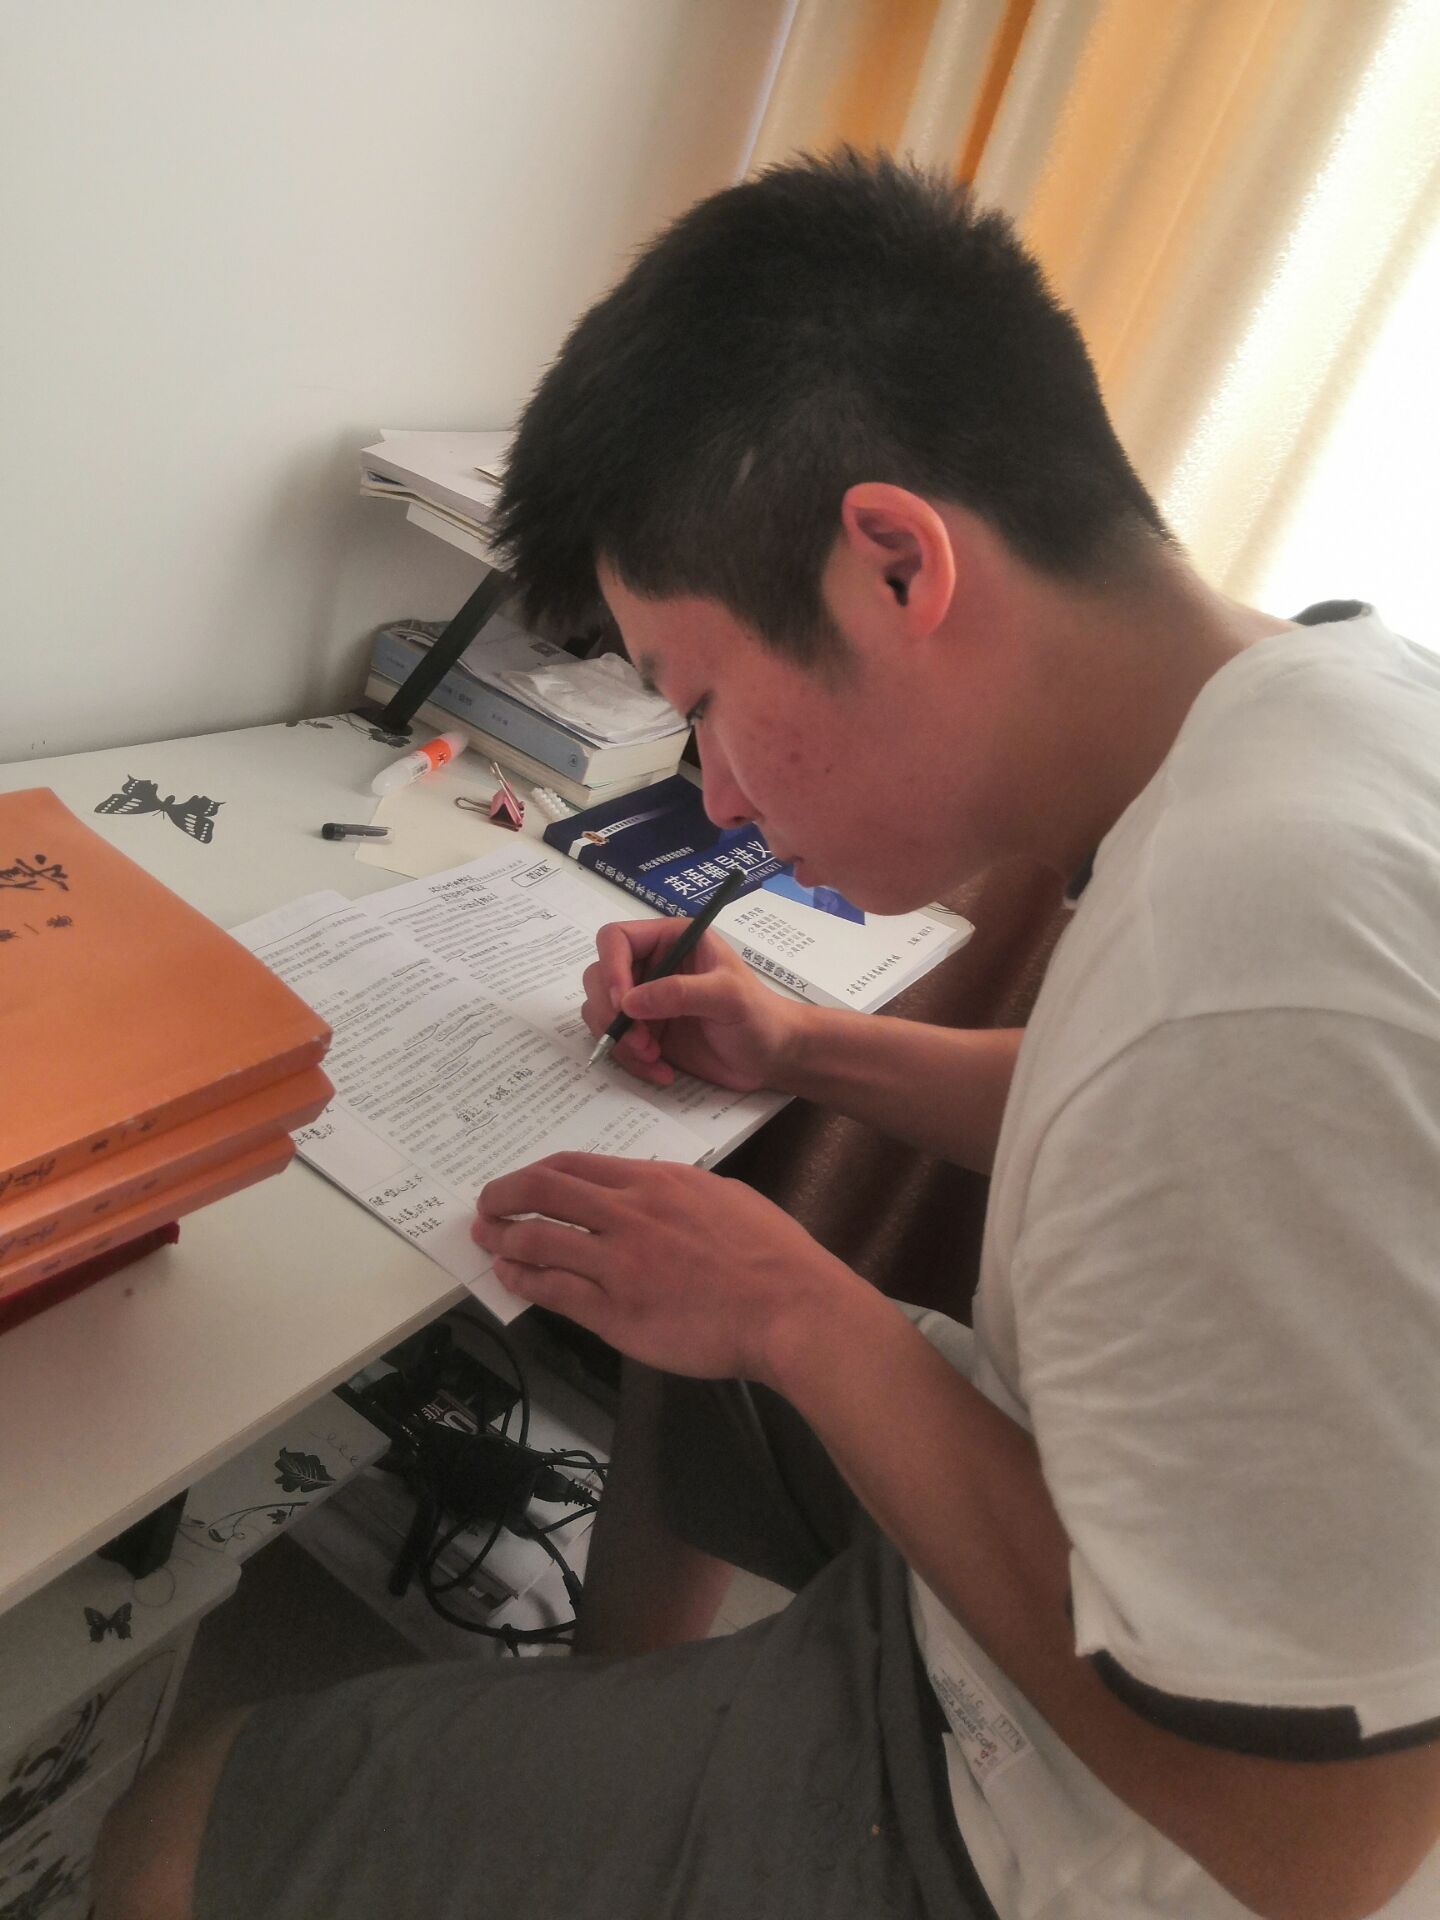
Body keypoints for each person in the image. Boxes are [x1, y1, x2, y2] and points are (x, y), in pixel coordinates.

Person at [96, 151, 1440, 1920]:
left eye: (705, 701)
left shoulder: (1257, 950)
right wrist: (800, 1052)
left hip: (1066, 1825)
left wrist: (807, 1314)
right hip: (1100, 1537)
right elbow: (1160, 1123)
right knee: (682, 1302)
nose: (715, 793)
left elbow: (1319, 1845)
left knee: (178, 1830)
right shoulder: (1332, 711)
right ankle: (624, 1755)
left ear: (894, 563)